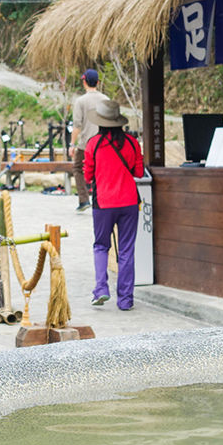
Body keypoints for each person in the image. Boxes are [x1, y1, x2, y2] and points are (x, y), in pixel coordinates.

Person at [83, 100, 144, 310]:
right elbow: (138, 172)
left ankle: (101, 290)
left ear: (100, 122)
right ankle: (125, 300)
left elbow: (88, 175)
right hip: (129, 203)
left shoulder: (94, 144)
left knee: (101, 246)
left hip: (104, 204)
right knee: (126, 249)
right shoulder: (132, 143)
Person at [70, 68, 108, 212]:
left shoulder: (80, 101)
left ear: (84, 82)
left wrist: (71, 144)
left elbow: (77, 126)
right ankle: (100, 199)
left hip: (86, 144)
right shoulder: (106, 99)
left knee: (77, 168)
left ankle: (84, 199)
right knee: (101, 170)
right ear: (98, 82)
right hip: (103, 143)